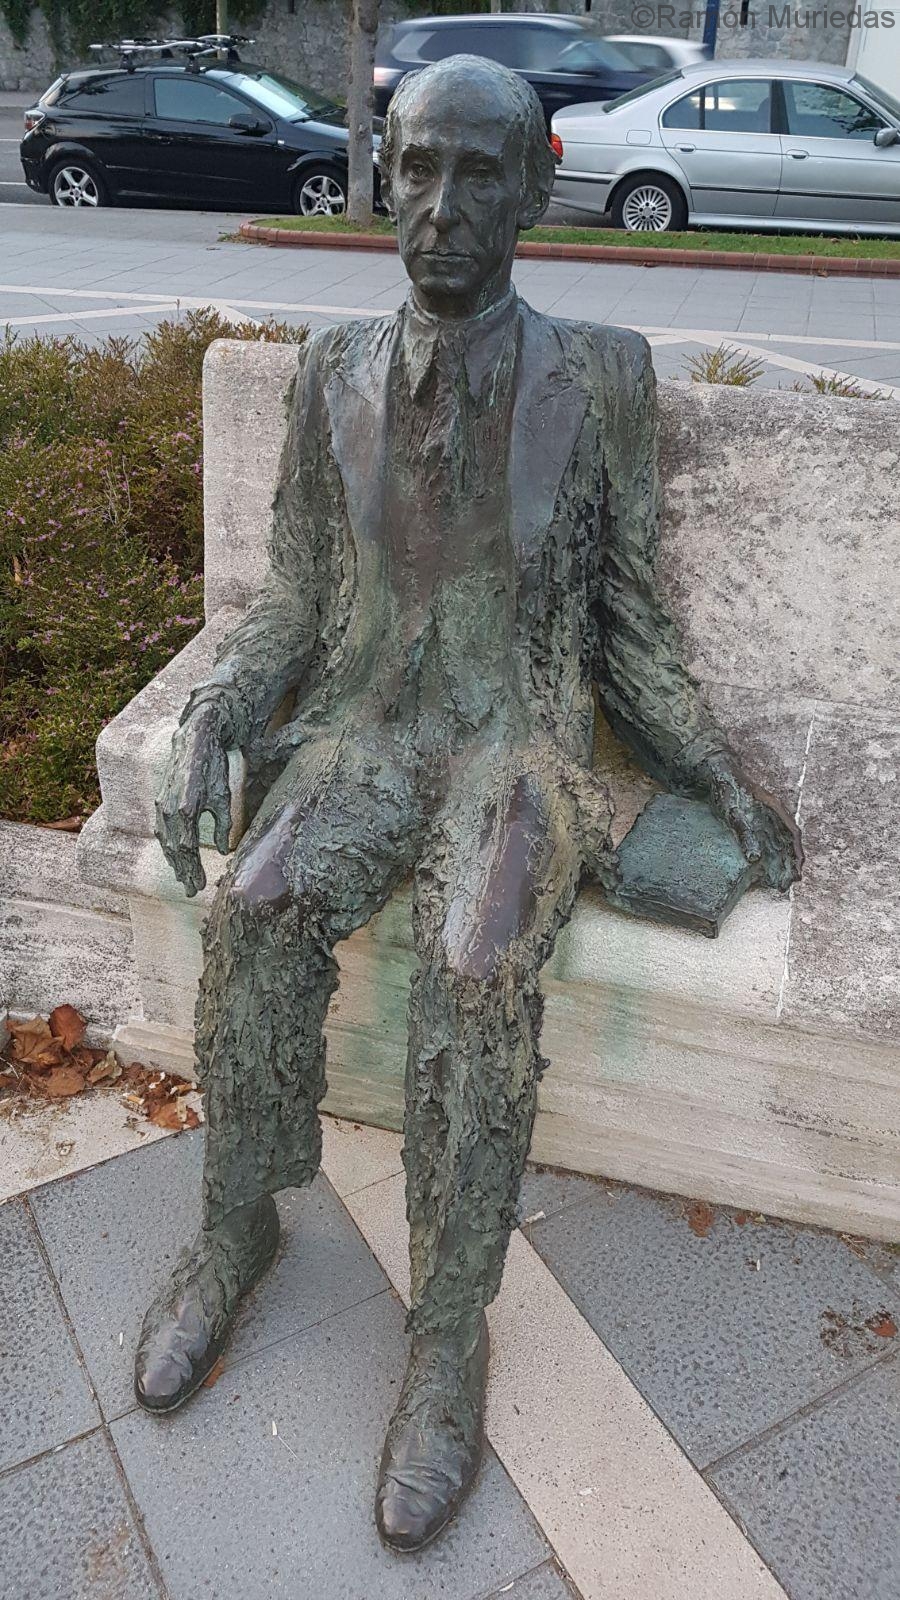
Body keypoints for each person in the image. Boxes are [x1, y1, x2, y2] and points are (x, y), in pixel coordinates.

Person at [134, 54, 800, 1552]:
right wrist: (221, 706)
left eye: (477, 174)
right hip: (365, 731)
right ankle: (236, 1226)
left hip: (517, 744)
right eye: (417, 170)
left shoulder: (602, 375)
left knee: (476, 954)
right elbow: (296, 594)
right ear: (386, 179)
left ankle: (447, 1334)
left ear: (533, 187)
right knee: (253, 908)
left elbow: (628, 623)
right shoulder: (332, 369)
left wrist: (712, 772)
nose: (440, 207)